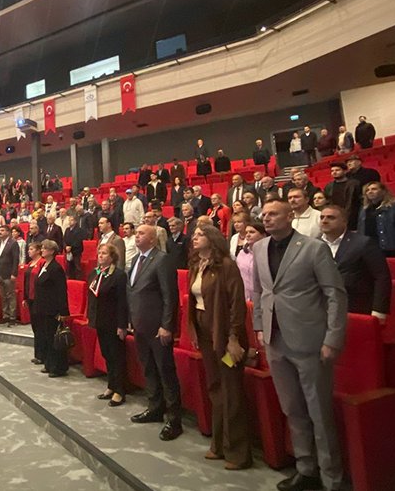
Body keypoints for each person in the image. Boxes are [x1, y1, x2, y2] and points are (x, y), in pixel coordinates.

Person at [252, 200, 347, 491]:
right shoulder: (259, 248)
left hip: (309, 341)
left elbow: (335, 295)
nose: (266, 218)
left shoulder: (313, 247)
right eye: (264, 214)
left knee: (319, 413)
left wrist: (332, 338)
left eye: (273, 214)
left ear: (290, 216)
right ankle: (306, 469)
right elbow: (259, 291)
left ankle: (332, 479)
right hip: (275, 340)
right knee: (292, 409)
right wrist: (258, 326)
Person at [187, 227, 252, 469]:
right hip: (206, 334)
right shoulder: (197, 264)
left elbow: (237, 305)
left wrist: (234, 337)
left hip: (225, 336)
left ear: (212, 240)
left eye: (200, 234)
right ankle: (219, 445)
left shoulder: (226, 266)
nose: (194, 237)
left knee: (231, 390)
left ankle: (238, 453)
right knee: (215, 387)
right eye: (194, 235)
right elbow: (194, 302)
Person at [127, 224, 183, 441]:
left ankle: (174, 419)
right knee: (148, 369)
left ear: (152, 239)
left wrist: (167, 325)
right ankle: (155, 408)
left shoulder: (162, 259)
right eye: (137, 233)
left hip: (157, 328)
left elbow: (170, 296)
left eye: (141, 233)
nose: (136, 236)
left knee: (165, 372)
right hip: (140, 326)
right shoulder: (135, 260)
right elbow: (133, 292)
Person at [320, 205, 391, 319]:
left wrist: (379, 310)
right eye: (322, 217)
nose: (324, 221)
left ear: (344, 222)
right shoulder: (315, 244)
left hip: (356, 306)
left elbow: (381, 277)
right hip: (323, 308)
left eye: (330, 217)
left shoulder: (363, 243)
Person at [87, 244, 129, 407]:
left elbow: (122, 302)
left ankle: (120, 390)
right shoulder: (95, 273)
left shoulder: (118, 275)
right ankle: (111, 386)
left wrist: (122, 324)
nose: (100, 256)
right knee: (107, 354)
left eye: (104, 253)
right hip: (100, 320)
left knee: (116, 356)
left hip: (113, 321)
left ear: (112, 257)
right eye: (99, 253)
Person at [33, 240, 70, 378]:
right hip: (42, 308)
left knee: (54, 338)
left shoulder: (56, 268)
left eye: (44, 248)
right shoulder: (44, 265)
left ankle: (58, 367)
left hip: (52, 309)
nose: (41, 250)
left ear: (52, 251)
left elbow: (61, 291)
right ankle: (49, 364)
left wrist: (64, 312)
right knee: (47, 337)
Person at [358, 182, 395, 258]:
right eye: (367, 190)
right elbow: (360, 229)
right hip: (369, 249)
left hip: (391, 249)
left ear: (383, 191)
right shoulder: (364, 210)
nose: (370, 191)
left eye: (374, 189)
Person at [22, 242, 47, 364]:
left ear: (38, 251)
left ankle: (42, 354)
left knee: (40, 327)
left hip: (39, 299)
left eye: (31, 249)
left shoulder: (42, 263)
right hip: (30, 298)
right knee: (35, 327)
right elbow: (25, 282)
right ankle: (38, 354)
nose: (29, 251)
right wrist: (25, 298)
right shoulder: (30, 264)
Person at [324, 162, 362, 231]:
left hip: (352, 217)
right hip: (335, 217)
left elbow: (359, 201)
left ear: (345, 171)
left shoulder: (354, 184)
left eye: (337, 170)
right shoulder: (329, 186)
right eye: (332, 171)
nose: (334, 172)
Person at [237, 222, 266, 300]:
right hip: (244, 298)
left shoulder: (268, 254)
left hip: (261, 298)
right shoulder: (241, 254)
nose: (248, 235)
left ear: (263, 235)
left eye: (252, 232)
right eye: (246, 232)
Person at [64, 215, 89, 280]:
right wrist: (66, 246)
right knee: (69, 268)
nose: (70, 222)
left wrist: (71, 247)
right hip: (68, 252)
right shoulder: (67, 230)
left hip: (76, 251)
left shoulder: (80, 230)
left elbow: (78, 241)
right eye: (69, 220)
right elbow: (64, 240)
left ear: (75, 221)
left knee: (77, 268)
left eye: (71, 220)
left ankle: (78, 281)